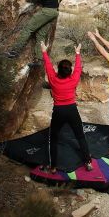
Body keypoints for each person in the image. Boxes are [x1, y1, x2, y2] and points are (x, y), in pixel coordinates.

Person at [40, 40, 93, 173]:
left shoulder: (53, 79)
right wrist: (77, 53)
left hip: (58, 111)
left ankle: (53, 167)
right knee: (80, 136)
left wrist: (44, 52)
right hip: (71, 110)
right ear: (69, 71)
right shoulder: (73, 79)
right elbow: (79, 68)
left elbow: (48, 67)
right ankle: (88, 162)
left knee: (54, 138)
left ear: (59, 70)